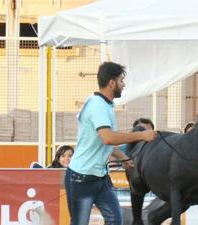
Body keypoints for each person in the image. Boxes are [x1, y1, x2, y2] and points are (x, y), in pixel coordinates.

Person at [65, 62, 157, 225]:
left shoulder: (104, 105)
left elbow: (105, 142)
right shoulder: (97, 106)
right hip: (81, 178)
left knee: (115, 220)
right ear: (112, 83)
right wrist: (141, 135)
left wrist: (124, 158)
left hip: (100, 178)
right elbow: (108, 137)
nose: (124, 84)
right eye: (121, 80)